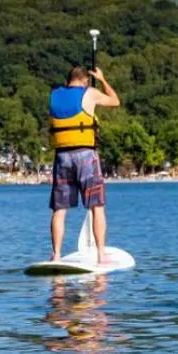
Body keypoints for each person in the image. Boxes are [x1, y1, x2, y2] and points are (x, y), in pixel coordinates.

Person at [48, 65, 121, 262]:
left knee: (59, 210)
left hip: (62, 156)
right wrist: (103, 80)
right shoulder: (89, 93)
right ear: (85, 81)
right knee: (97, 206)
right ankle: (101, 255)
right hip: (85, 156)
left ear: (68, 81)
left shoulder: (54, 95)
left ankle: (56, 255)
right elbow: (115, 101)